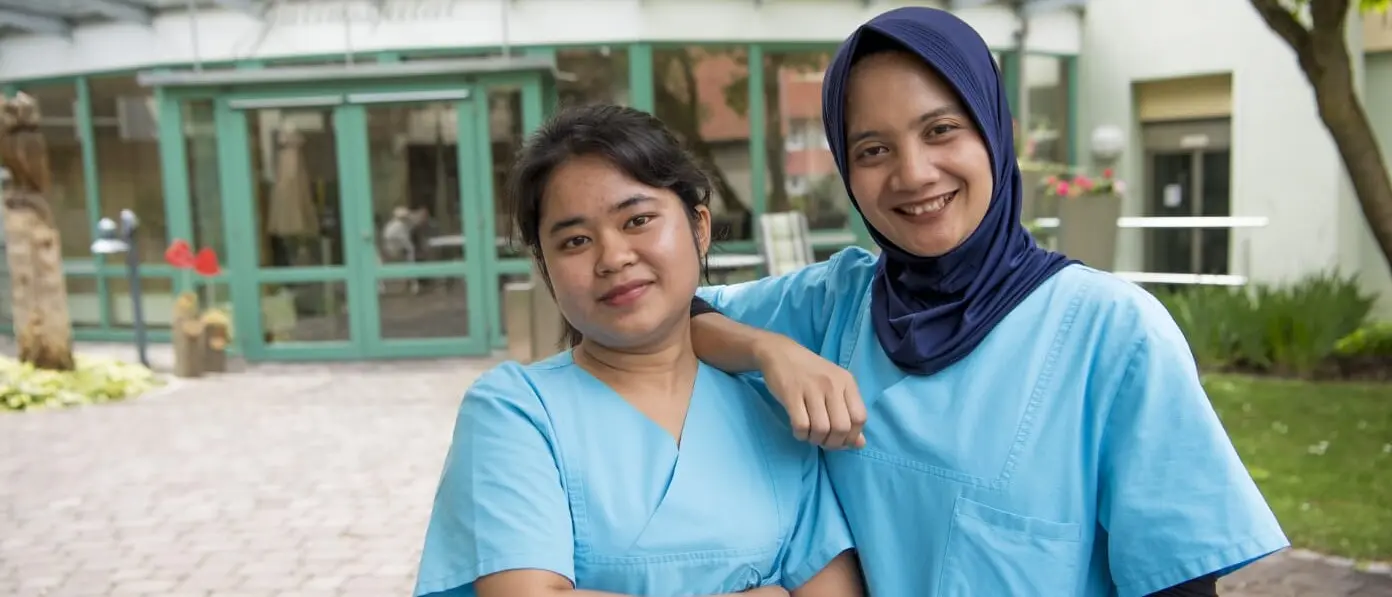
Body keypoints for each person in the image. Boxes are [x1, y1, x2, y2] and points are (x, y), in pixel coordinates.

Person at [688, 7, 1288, 597]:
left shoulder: (1112, 333)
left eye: (941, 130)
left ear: (995, 131)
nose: (914, 173)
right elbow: (665, 315)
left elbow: (1175, 584)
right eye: (873, 150)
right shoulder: (834, 304)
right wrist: (766, 348)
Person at [413, 104, 863, 597]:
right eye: (576, 240)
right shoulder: (514, 410)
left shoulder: (770, 410)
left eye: (638, 220)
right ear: (546, 269)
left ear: (700, 227)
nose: (613, 258)